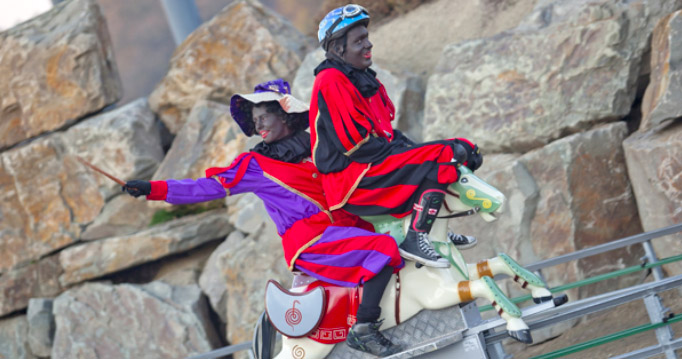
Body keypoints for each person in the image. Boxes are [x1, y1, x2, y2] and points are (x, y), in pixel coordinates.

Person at [123, 79, 404, 357]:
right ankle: (365, 328)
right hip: (312, 242)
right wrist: (154, 189)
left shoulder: (317, 147)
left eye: (264, 116)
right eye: (255, 120)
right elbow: (206, 188)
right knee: (383, 249)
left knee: (399, 234)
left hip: (346, 227)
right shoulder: (255, 165)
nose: (258, 126)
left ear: (285, 115)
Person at [311, 4, 483, 270]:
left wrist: (410, 149)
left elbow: (385, 133)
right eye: (359, 41)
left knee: (465, 150)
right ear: (337, 49)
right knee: (445, 155)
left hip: (370, 163)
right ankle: (417, 236)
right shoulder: (331, 80)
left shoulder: (359, 76)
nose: (368, 45)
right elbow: (355, 145)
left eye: (366, 37)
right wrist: (411, 154)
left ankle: (432, 227)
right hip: (352, 180)